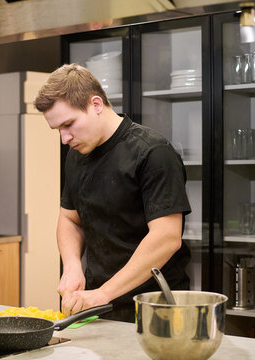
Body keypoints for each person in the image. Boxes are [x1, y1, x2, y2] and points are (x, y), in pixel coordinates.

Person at [33, 64, 191, 323]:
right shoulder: (75, 156)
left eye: (68, 124)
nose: (64, 138)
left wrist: (102, 293)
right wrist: (72, 265)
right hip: (97, 305)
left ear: (96, 104)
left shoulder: (152, 152)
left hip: (154, 307)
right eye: (58, 130)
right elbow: (70, 219)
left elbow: (166, 237)